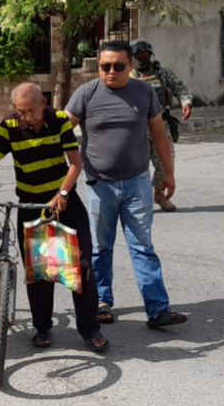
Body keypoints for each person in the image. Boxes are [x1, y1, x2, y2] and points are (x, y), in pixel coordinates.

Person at [0, 83, 108, 352]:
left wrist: (62, 192)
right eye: (20, 111)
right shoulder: (9, 126)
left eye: (31, 110)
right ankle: (42, 327)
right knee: (40, 271)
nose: (26, 117)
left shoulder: (60, 121)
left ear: (43, 103)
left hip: (65, 204)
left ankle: (89, 328)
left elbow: (76, 164)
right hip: (31, 206)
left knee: (83, 267)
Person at [65, 40, 187, 328]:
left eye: (119, 66)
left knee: (143, 246)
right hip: (99, 184)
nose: (111, 72)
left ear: (130, 66)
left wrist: (168, 173)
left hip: (137, 182)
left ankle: (158, 310)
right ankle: (101, 302)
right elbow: (61, 129)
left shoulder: (144, 92)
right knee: (99, 247)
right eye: (105, 66)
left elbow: (159, 134)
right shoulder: (86, 93)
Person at [131, 38, 193, 211]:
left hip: (161, 124)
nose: (141, 57)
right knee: (138, 166)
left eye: (145, 54)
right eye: (137, 54)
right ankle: (138, 201)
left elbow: (180, 88)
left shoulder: (163, 73)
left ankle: (158, 194)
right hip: (137, 128)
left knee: (165, 164)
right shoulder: (127, 76)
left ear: (150, 55)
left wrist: (185, 102)